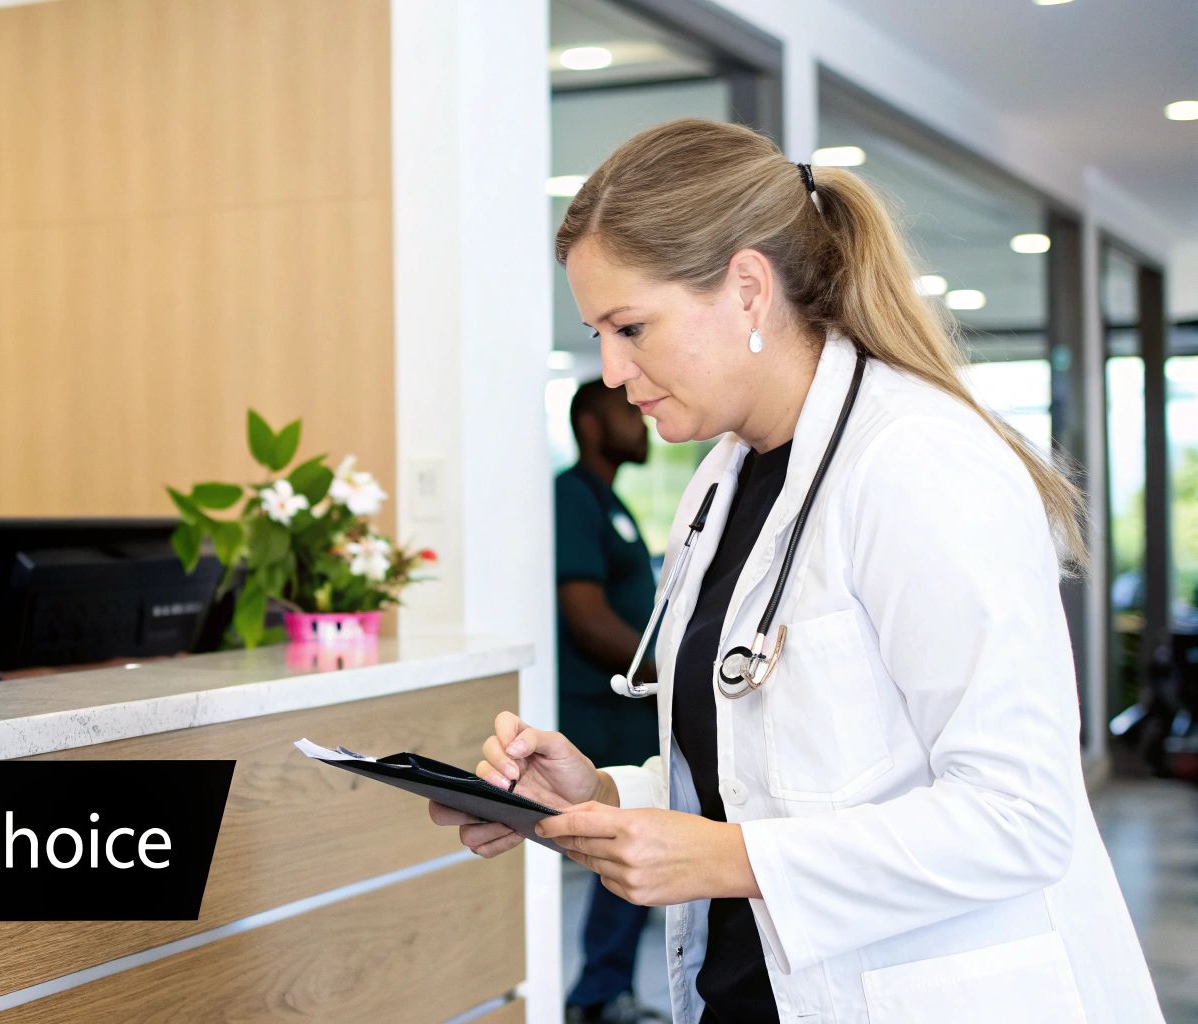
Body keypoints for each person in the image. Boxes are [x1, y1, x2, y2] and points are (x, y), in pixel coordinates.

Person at [433, 118, 1161, 1022]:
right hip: (750, 994)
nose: (611, 371)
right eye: (598, 333)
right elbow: (771, 774)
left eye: (631, 327)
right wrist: (605, 794)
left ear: (747, 289)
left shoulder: (916, 462)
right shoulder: (720, 483)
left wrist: (727, 859)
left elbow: (1021, 816)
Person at [556, 381, 668, 1023]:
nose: (642, 422)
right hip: (600, 714)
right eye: (626, 412)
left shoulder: (609, 501)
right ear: (591, 426)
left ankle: (606, 988)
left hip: (627, 712)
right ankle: (598, 994)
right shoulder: (572, 497)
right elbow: (588, 618)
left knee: (631, 848)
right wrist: (667, 676)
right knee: (621, 847)